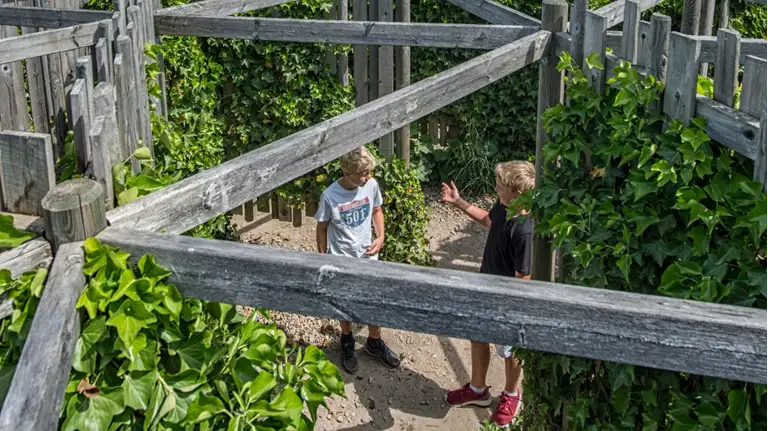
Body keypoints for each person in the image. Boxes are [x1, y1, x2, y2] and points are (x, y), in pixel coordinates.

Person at [441, 160, 535, 428]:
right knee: (478, 335)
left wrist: (507, 307)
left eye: (500, 186)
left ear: (517, 193)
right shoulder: (504, 207)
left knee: (510, 349)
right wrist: (459, 202)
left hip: (506, 300)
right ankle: (478, 390)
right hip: (486, 287)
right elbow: (489, 221)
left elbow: (523, 276)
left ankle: (511, 395)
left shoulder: (524, 229)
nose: (496, 189)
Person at [315, 147, 401, 374]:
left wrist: (380, 237)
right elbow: (322, 228)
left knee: (374, 299)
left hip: (367, 255)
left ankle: (374, 341)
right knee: (344, 301)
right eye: (363, 174)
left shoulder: (371, 185)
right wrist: (323, 258)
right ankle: (347, 339)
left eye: (369, 172)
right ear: (346, 172)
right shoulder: (330, 196)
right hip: (341, 258)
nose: (368, 177)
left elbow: (376, 210)